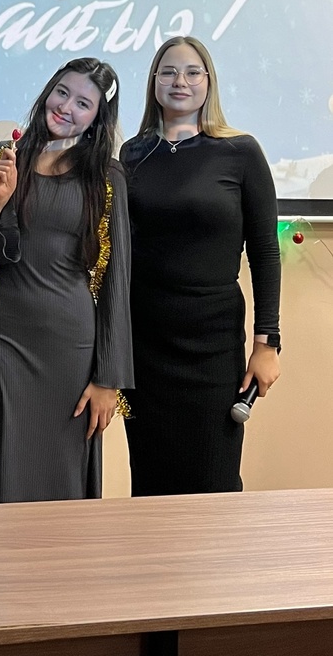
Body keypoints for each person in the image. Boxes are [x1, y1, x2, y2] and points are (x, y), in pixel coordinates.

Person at [0, 57, 133, 503]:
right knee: (0, 459)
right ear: (48, 91)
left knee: (62, 472)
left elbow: (117, 276)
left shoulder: (106, 174)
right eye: (62, 92)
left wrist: (108, 378)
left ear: (97, 118)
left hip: (71, 346)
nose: (66, 107)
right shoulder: (7, 155)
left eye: (83, 103)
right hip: (6, 336)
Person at [119, 36, 281, 496]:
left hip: (212, 347)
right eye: (168, 71)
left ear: (209, 81)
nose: (180, 81)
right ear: (154, 82)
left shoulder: (241, 151)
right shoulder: (132, 154)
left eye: (193, 72)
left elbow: (265, 251)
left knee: (214, 483)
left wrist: (267, 343)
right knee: (149, 483)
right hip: (144, 347)